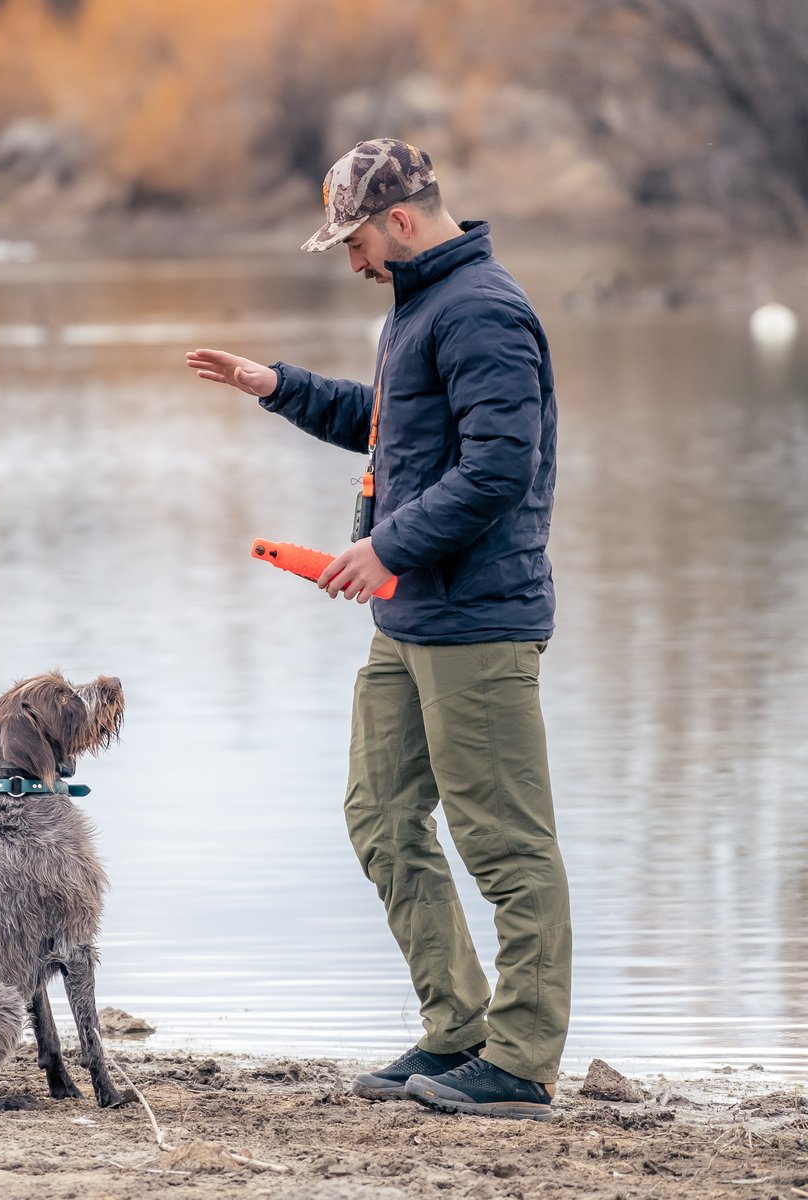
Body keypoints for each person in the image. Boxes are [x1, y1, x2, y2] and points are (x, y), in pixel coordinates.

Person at [186, 139, 570, 1122]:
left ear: (399, 222)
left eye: (354, 243)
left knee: (505, 842)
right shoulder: (421, 310)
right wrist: (278, 387)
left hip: (476, 620)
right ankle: (461, 1030)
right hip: (412, 620)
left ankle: (520, 1062)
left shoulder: (482, 311)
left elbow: (497, 469)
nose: (351, 263)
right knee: (380, 814)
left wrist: (388, 546)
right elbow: (396, 428)